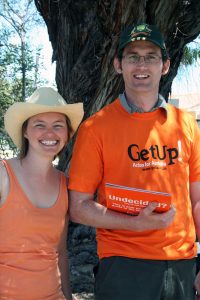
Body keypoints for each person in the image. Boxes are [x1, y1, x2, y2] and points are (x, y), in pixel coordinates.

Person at [68, 23, 200, 300]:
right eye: (133, 56)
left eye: (151, 56)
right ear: (119, 65)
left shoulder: (186, 124)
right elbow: (78, 208)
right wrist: (135, 225)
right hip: (123, 265)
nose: (142, 64)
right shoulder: (95, 128)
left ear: (164, 65)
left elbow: (197, 200)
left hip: (181, 265)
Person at [0, 87, 83, 300]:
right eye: (39, 125)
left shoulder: (65, 184)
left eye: (58, 126)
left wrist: (68, 297)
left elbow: (61, 253)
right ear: (25, 131)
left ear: (68, 134)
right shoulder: (3, 174)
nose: (49, 133)